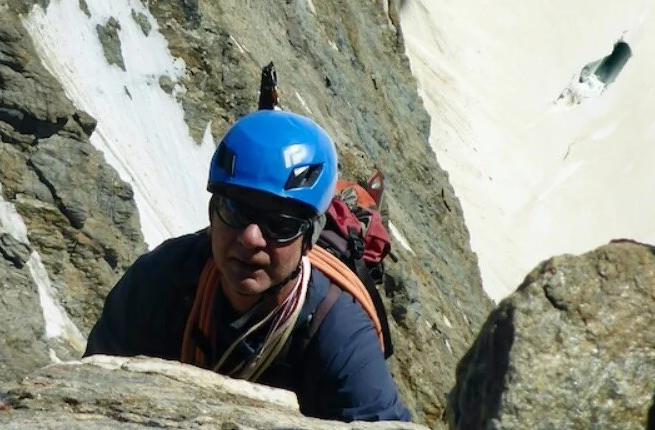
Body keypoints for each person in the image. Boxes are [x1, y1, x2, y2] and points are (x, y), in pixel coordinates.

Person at [85, 110, 412, 422]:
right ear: (213, 213)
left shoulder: (336, 328)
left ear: (309, 238)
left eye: (280, 225)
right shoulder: (162, 277)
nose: (251, 238)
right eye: (235, 210)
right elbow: (94, 382)